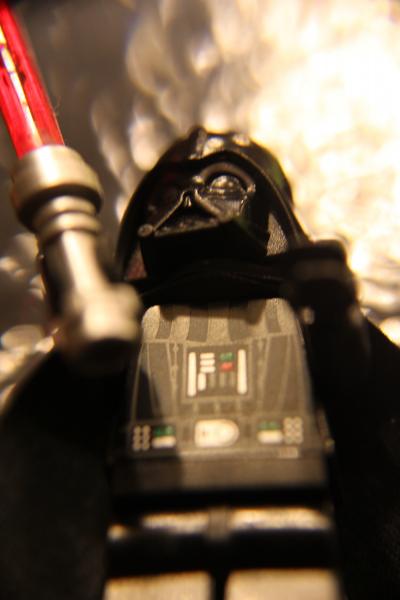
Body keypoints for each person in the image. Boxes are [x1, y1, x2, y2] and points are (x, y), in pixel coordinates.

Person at [0, 127, 399, 599]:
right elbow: (55, 451)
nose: (189, 199)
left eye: (223, 186)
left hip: (295, 529)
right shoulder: (119, 328)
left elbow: (363, 407)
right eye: (168, 194)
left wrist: (335, 320)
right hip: (146, 543)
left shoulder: (300, 315)